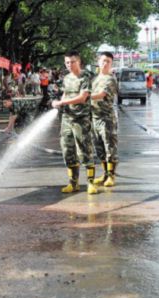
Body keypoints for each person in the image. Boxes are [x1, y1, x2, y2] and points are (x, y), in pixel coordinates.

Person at [51, 50, 97, 195]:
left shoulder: (86, 76)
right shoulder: (66, 78)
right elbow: (65, 93)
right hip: (67, 118)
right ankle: (73, 183)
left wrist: (63, 101)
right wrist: (58, 102)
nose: (70, 65)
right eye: (67, 62)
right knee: (67, 150)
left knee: (84, 150)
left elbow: (83, 97)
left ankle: (90, 183)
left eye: (72, 62)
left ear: (79, 61)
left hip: (81, 119)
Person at [90, 52, 119, 188]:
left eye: (108, 61)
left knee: (110, 147)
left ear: (111, 63)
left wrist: (84, 97)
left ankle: (111, 176)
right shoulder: (95, 79)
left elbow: (101, 95)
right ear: (98, 62)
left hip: (107, 118)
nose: (105, 63)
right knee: (99, 148)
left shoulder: (110, 79)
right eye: (103, 60)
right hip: (95, 117)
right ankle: (105, 174)